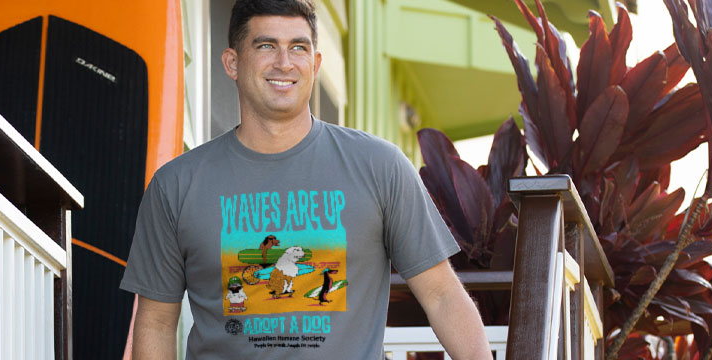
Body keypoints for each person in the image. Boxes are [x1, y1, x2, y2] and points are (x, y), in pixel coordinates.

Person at [117, 0, 490, 358]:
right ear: (232, 63)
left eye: (298, 47)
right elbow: (156, 322)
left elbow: (442, 295)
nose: (284, 63)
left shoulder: (380, 166)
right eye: (266, 45)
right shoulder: (176, 185)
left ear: (315, 62)